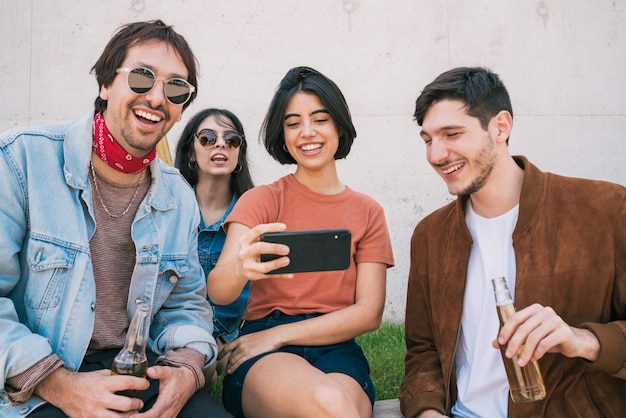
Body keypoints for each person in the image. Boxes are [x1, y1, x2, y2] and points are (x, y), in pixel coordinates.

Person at [0, 20, 232, 417]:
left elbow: (187, 306)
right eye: (142, 77)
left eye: (176, 88)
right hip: (36, 381)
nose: (157, 97)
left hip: (142, 371)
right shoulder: (21, 161)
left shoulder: (178, 195)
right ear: (106, 85)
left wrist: (187, 368)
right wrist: (59, 384)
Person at [399, 66, 626, 418]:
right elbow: (423, 349)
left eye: (452, 134)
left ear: (501, 127)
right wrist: (427, 410)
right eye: (428, 139)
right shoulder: (430, 235)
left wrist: (583, 340)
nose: (435, 155)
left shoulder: (605, 210)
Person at [207, 66, 395, 417]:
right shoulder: (261, 200)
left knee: (338, 406)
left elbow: (369, 313)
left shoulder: (368, 211)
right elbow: (218, 291)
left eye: (320, 119)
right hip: (264, 348)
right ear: (282, 133)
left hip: (335, 346)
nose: (307, 132)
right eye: (293, 123)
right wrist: (240, 267)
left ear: (338, 124)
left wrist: (281, 335)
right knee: (334, 405)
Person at [175, 108, 254, 372]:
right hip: (174, 329)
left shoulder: (255, 212)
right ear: (190, 153)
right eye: (207, 137)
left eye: (231, 140)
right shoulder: (169, 208)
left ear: (238, 155)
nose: (220, 143)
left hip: (232, 335)